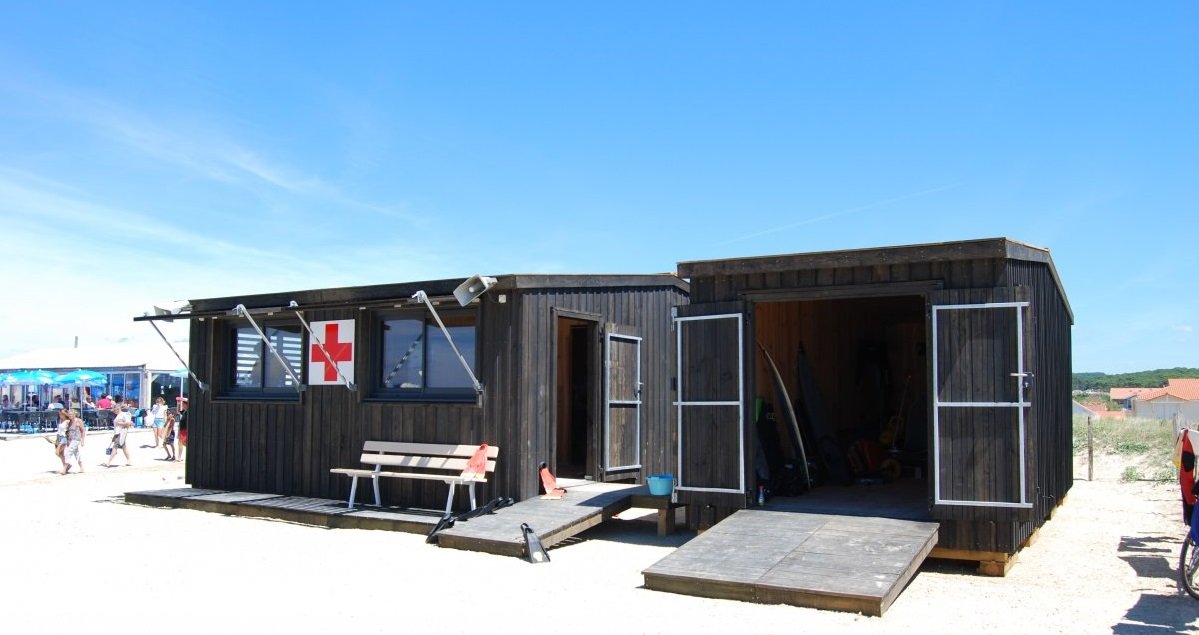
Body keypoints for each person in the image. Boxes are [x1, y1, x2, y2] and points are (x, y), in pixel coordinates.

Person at [62, 410, 85, 474]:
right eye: (69, 414)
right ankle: (82, 468)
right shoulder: (69, 422)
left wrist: (82, 440)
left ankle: (65, 468)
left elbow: (83, 431)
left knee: (68, 452)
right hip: (70, 440)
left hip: (76, 439)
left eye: (71, 414)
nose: (70, 415)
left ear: (74, 415)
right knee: (76, 454)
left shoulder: (78, 421)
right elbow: (68, 432)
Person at [175, 397, 188, 462]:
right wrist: (178, 404)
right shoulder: (184, 411)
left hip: (186, 430)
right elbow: (177, 412)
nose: (183, 406)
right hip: (182, 429)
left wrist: (184, 399)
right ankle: (179, 457)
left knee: (184, 443)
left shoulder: (189, 411)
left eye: (183, 405)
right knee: (180, 443)